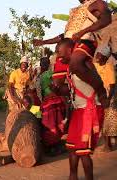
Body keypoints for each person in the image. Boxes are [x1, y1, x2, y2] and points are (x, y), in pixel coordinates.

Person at [57, 38, 109, 180]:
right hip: (80, 111)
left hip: (90, 110)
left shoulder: (82, 64)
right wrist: (57, 89)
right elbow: (72, 91)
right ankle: (72, 176)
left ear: (69, 51)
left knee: (83, 151)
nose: (59, 58)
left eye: (60, 54)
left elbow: (97, 81)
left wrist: (103, 96)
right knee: (72, 147)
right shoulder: (72, 67)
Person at [39, 57, 67, 155]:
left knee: (52, 123)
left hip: (52, 101)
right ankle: (53, 144)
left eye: (44, 63)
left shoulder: (49, 74)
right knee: (52, 123)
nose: (43, 65)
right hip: (48, 102)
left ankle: (53, 145)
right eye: (42, 63)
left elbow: (56, 83)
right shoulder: (41, 75)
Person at [94, 45, 117, 152]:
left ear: (105, 56)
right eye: (97, 54)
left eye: (99, 54)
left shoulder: (109, 66)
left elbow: (112, 85)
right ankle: (108, 143)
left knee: (109, 120)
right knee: (102, 119)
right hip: (99, 94)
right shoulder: (95, 66)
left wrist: (108, 99)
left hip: (109, 94)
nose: (97, 56)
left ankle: (108, 144)